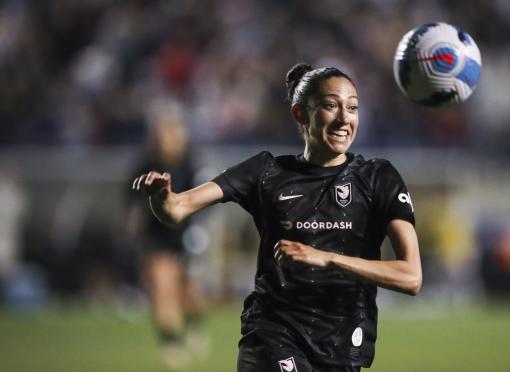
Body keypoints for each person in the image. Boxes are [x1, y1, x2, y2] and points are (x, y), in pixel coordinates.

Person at [132, 63, 422, 371]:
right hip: (273, 337)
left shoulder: (379, 178)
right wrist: (162, 197)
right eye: (330, 106)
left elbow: (411, 276)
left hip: (342, 346)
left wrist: (327, 258)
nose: (344, 118)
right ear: (300, 114)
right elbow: (176, 209)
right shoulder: (266, 172)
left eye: (352, 108)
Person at [126, 100, 208, 370]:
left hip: (185, 234)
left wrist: (197, 230)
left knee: (189, 291)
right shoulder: (145, 164)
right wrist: (133, 223)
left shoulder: (191, 163)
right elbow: (131, 199)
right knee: (163, 286)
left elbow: (206, 199)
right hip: (156, 235)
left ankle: (195, 325)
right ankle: (171, 344)